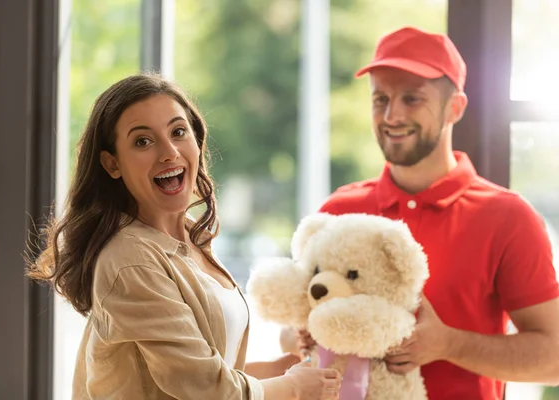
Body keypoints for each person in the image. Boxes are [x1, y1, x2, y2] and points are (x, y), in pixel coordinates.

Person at [27, 73, 342, 400]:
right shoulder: (129, 259)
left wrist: (282, 369)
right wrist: (292, 388)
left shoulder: (192, 234)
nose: (169, 152)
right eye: (143, 141)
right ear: (112, 164)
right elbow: (203, 388)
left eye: (178, 132)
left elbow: (201, 368)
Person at [285, 26, 559, 400]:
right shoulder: (339, 212)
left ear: (455, 108)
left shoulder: (509, 218)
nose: (391, 115)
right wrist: (302, 334)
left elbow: (554, 359)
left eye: (412, 99)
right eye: (380, 99)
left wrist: (449, 344)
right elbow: (292, 332)